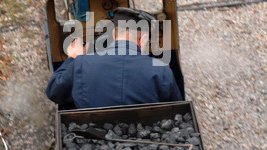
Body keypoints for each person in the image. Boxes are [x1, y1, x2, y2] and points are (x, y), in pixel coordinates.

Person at [45, 7, 182, 108]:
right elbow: (177, 111)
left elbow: (54, 92)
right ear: (144, 38)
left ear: (113, 35)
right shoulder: (161, 71)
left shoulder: (81, 64)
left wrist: (73, 58)